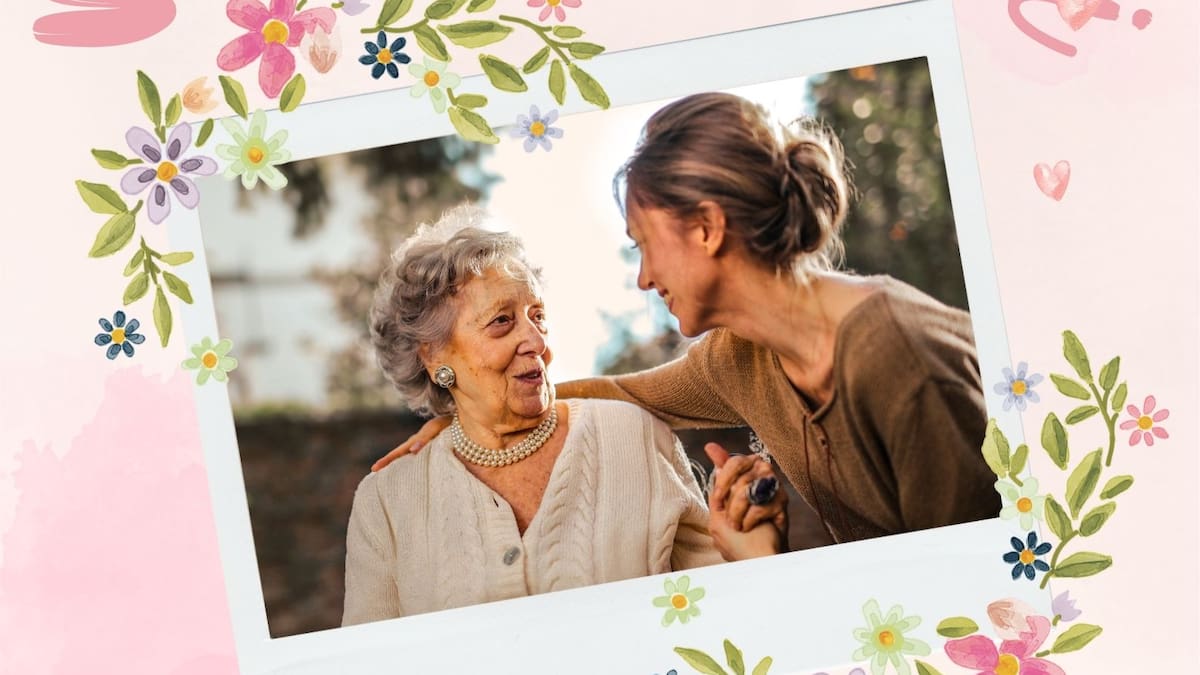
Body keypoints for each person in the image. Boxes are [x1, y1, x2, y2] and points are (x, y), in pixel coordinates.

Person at [373, 91, 1000, 546]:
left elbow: (984, 588)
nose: (644, 276)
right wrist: (476, 412)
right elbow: (621, 392)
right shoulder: (740, 355)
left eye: (645, 243)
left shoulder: (901, 360)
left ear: (706, 228)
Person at [342, 206, 784, 626]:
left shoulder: (632, 436)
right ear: (434, 354)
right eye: (502, 321)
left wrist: (757, 553)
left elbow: (721, 611)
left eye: (538, 317)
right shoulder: (386, 502)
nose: (536, 340)